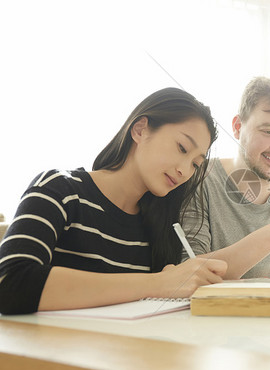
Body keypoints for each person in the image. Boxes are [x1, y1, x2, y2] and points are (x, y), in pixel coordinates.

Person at [0, 87, 227, 315]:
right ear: (140, 130)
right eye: (182, 148)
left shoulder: (159, 225)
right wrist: (159, 283)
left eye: (196, 164)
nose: (184, 170)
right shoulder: (60, 189)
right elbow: (9, 282)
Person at [182, 77, 270, 280]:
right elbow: (190, 275)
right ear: (238, 127)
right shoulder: (197, 179)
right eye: (269, 131)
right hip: (211, 310)